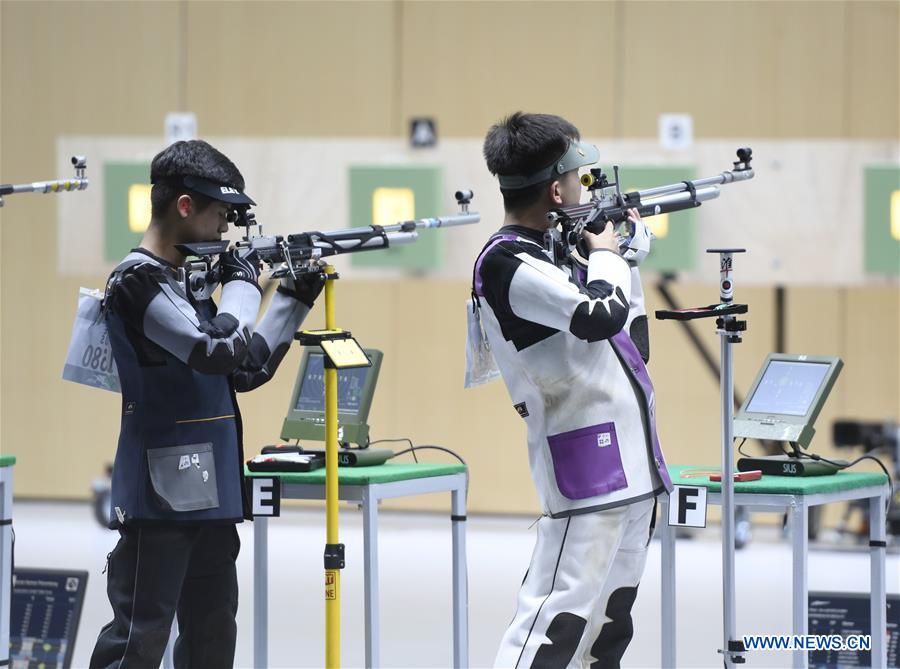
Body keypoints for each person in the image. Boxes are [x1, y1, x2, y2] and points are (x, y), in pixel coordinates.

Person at [90, 140, 323, 669]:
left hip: (212, 488)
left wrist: (292, 297)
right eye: (221, 214)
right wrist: (243, 281)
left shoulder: (189, 283)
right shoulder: (137, 281)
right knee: (138, 638)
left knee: (212, 636)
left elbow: (245, 367)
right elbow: (215, 349)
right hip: (160, 493)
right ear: (185, 206)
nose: (226, 228)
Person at [470, 112, 672, 668]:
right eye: (580, 180)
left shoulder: (559, 254)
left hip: (634, 464)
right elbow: (597, 316)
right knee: (554, 622)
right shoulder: (507, 261)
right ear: (556, 189)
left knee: (609, 624)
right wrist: (607, 254)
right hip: (587, 463)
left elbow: (632, 341)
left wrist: (622, 256)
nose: (586, 190)